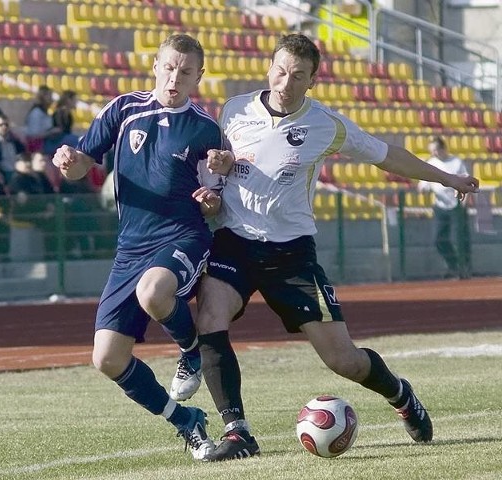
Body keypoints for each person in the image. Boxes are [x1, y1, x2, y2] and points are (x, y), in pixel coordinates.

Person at [175, 33, 480, 461]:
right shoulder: (234, 109)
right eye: (280, 71)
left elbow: (385, 155)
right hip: (234, 243)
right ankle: (237, 431)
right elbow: (216, 171)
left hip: (291, 255)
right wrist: (211, 191)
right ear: (269, 68)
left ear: (313, 80)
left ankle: (400, 395)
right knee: (209, 316)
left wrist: (447, 179)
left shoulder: (326, 124)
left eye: (298, 75)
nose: (285, 83)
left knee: (344, 361)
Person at [51, 33, 226, 460]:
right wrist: (69, 163)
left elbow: (217, 199)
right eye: (169, 68)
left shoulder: (205, 128)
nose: (175, 78)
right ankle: (187, 422)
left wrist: (211, 199)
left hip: (183, 236)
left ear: (198, 77)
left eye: (185, 72)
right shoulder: (123, 109)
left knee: (154, 293)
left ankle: (190, 350)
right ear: (155, 65)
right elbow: (80, 167)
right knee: (107, 359)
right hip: (130, 249)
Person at [417, 136, 472, 279]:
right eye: (432, 151)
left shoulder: (456, 162)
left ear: (443, 149)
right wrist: (423, 189)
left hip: (457, 205)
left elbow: (466, 182)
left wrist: (464, 202)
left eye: (436, 150)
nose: (434, 153)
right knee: (439, 239)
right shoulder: (431, 163)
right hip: (440, 206)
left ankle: (465, 267)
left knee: (461, 238)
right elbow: (423, 184)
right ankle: (453, 265)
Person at [0, 113, 26, 183]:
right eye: (0, 125)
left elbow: (22, 151)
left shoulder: (11, 138)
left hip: (14, 170)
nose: (4, 127)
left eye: (6, 125)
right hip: (1, 172)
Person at [24, 85, 61, 153]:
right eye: (49, 96)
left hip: (46, 141)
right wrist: (51, 132)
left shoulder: (45, 112)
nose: (52, 99)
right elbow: (34, 135)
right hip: (38, 144)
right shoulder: (36, 113)